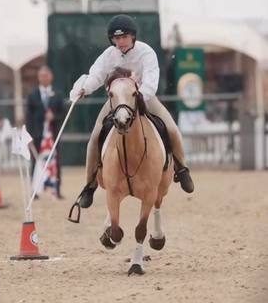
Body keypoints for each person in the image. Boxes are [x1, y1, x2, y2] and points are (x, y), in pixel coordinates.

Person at [72, 14, 194, 209]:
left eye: (123, 37)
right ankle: (90, 185)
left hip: (143, 98)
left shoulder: (147, 53)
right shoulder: (108, 55)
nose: (120, 42)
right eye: (116, 38)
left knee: (171, 129)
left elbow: (151, 82)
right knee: (95, 136)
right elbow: (96, 74)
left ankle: (182, 168)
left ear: (133, 36)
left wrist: (136, 100)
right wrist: (85, 89)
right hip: (117, 100)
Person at [26, 66, 66, 199]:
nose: (44, 78)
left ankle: (57, 190)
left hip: (53, 134)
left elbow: (64, 113)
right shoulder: (32, 95)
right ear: (38, 77)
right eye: (41, 75)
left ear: (51, 77)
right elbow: (29, 117)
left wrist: (53, 116)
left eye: (46, 75)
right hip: (37, 135)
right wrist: (29, 136)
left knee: (56, 161)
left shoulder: (58, 94)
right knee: (36, 162)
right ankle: (35, 191)